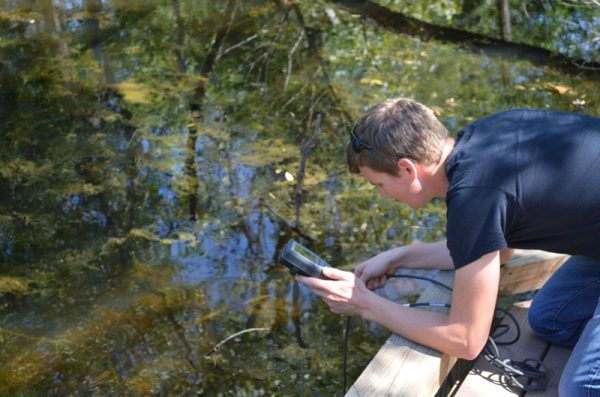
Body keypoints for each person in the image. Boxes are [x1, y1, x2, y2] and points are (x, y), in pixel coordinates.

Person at [296, 98, 600, 396]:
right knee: (551, 320)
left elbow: (467, 340)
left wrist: (365, 304)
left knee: (580, 387)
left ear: (406, 169)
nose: (383, 196)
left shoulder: (474, 195)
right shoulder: (482, 139)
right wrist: (397, 258)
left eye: (378, 185)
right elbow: (497, 249)